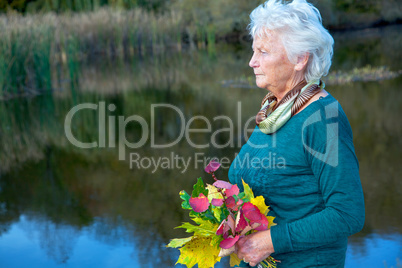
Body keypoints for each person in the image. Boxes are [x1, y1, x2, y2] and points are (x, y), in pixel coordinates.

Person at [228, 0, 365, 267]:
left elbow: (347, 213)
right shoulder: (274, 110)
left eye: (263, 52)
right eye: (253, 50)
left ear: (300, 58)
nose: (251, 61)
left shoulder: (322, 119)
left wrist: (269, 242)